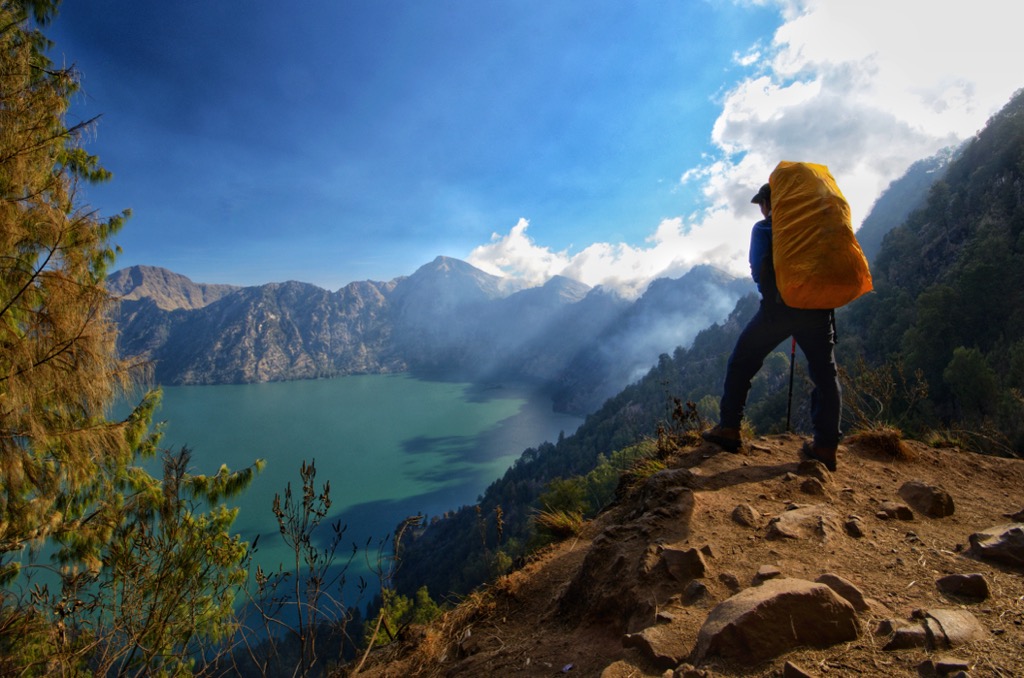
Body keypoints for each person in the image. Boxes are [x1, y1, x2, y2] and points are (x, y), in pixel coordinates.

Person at [701, 182, 842, 471]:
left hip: (777, 311)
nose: (761, 209)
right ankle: (826, 446)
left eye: (762, 204)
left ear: (771, 202)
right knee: (825, 375)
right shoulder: (819, 227)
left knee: (742, 362)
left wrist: (778, 295)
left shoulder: (765, 229)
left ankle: (729, 428)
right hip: (818, 311)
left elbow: (757, 268)